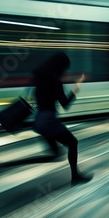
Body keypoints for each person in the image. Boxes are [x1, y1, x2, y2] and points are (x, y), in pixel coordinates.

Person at [32, 51, 92, 186]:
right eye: (64, 68)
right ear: (59, 66)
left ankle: (6, 165)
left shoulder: (40, 78)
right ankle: (75, 177)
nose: (64, 71)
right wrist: (77, 87)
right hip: (49, 120)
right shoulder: (54, 81)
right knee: (72, 143)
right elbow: (65, 104)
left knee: (54, 155)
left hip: (39, 120)